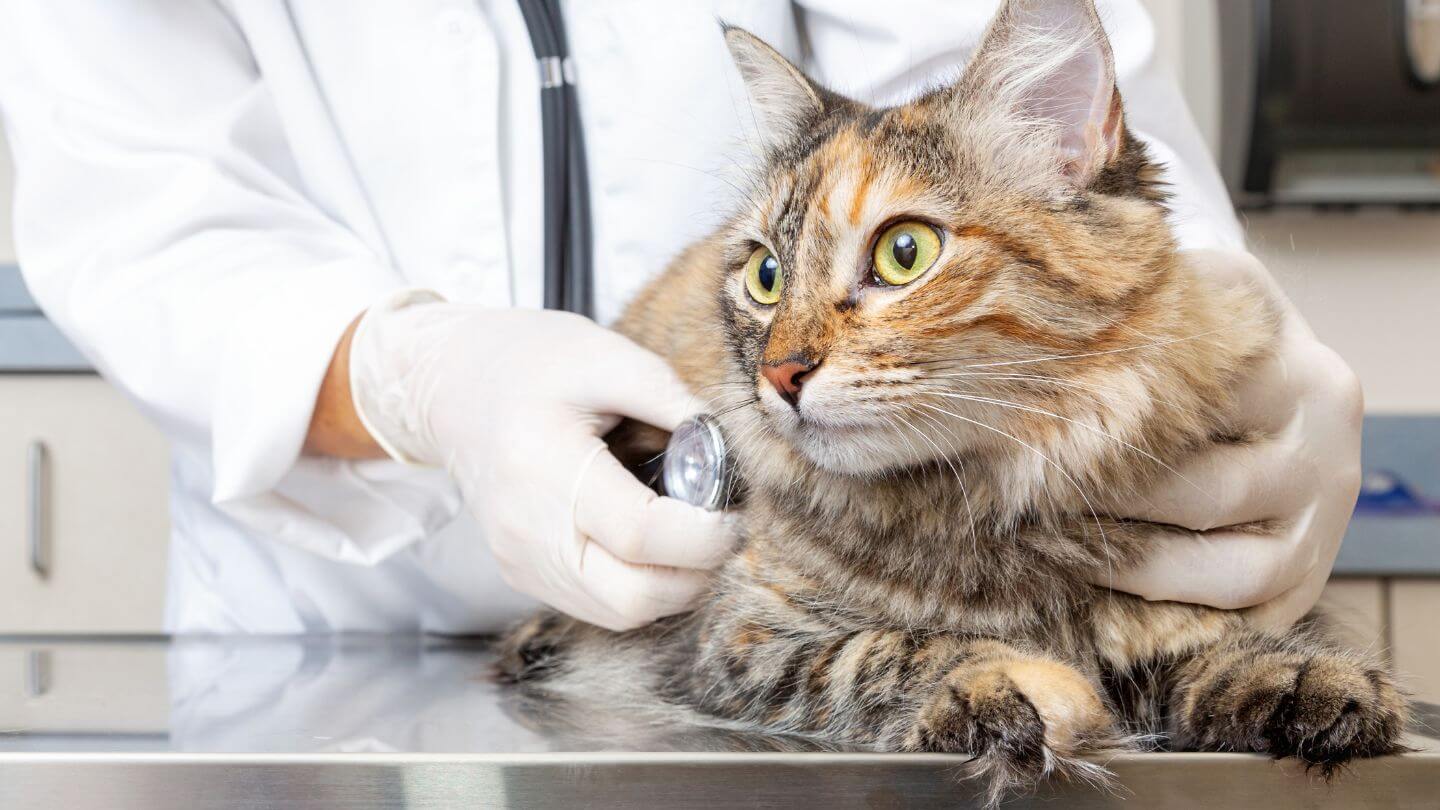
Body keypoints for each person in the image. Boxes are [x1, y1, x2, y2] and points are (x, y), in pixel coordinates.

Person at [0, 1, 1361, 634]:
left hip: (809, 606)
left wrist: (1198, 334)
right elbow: (142, 200)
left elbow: (996, 87)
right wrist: (424, 380)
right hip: (339, 632)